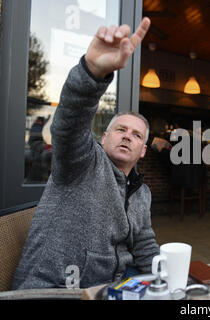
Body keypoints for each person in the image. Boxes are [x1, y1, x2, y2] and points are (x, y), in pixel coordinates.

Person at [12, 18, 160, 289]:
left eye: (136, 135)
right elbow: (69, 124)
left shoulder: (142, 193)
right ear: (103, 138)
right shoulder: (82, 162)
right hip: (53, 291)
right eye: (120, 130)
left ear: (142, 151)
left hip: (111, 290)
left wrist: (164, 278)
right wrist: (91, 73)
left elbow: (144, 241)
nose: (127, 136)